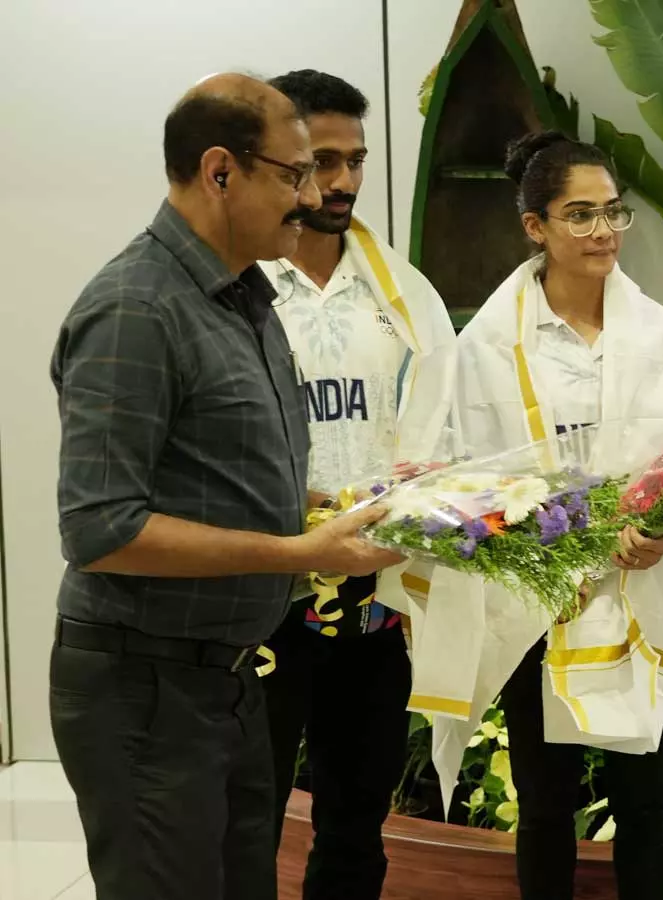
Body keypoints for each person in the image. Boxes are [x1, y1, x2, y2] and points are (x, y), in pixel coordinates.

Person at [48, 74, 401, 900]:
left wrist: (325, 513)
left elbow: (217, 473)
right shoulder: (137, 308)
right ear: (219, 171)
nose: (314, 197)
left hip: (230, 678)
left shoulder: (244, 297)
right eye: (295, 174)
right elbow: (101, 528)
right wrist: (293, 549)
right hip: (146, 691)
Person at [432, 131, 663, 900]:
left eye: (613, 213)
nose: (603, 232)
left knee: (646, 804)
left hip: (637, 592)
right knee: (544, 806)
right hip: (538, 600)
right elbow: (467, 470)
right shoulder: (487, 345)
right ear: (534, 226)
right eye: (579, 215)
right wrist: (536, 538)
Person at [256, 69, 459, 900]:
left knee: (357, 810)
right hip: (262, 589)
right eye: (320, 161)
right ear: (278, 161)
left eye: (356, 161)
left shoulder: (404, 293)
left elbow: (445, 428)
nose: (341, 183)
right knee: (248, 808)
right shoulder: (240, 288)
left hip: (375, 593)